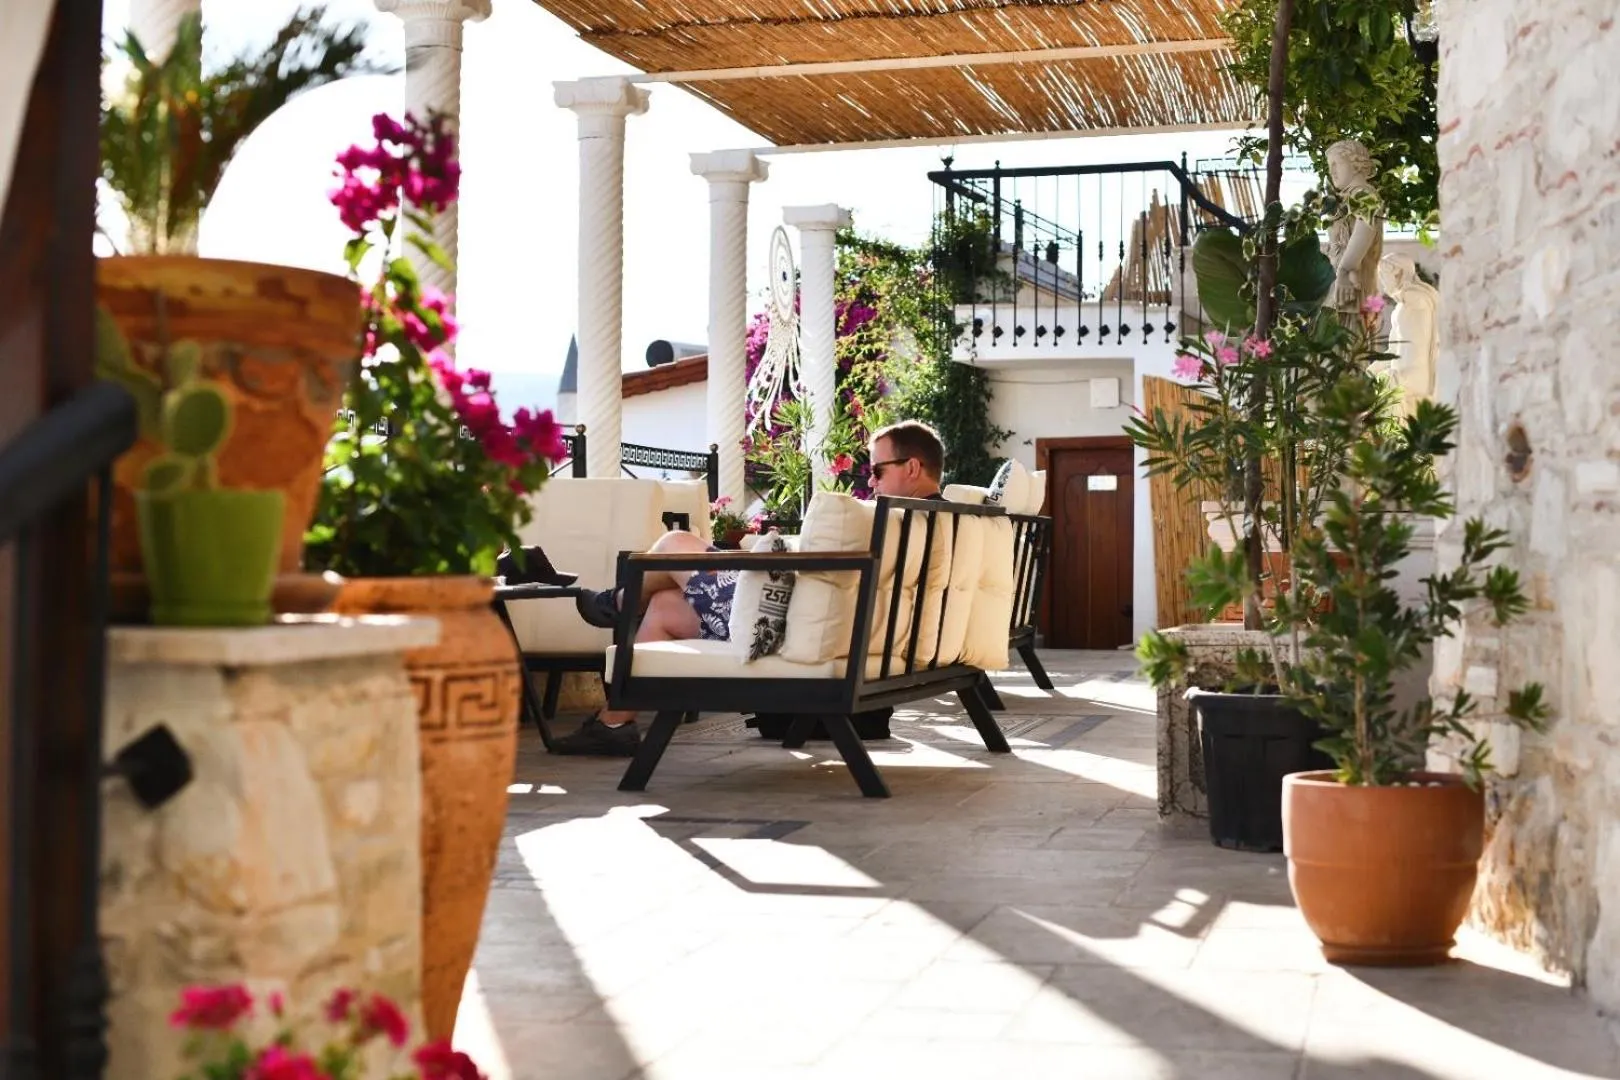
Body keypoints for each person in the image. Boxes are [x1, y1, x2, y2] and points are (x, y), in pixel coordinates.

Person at [550, 420, 949, 756]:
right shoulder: (931, 522)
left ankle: (616, 602)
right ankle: (615, 723)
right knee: (664, 608)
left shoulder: (895, 519)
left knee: (673, 546)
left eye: (877, 471)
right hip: (820, 626)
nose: (871, 480)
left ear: (912, 467)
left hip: (778, 626)